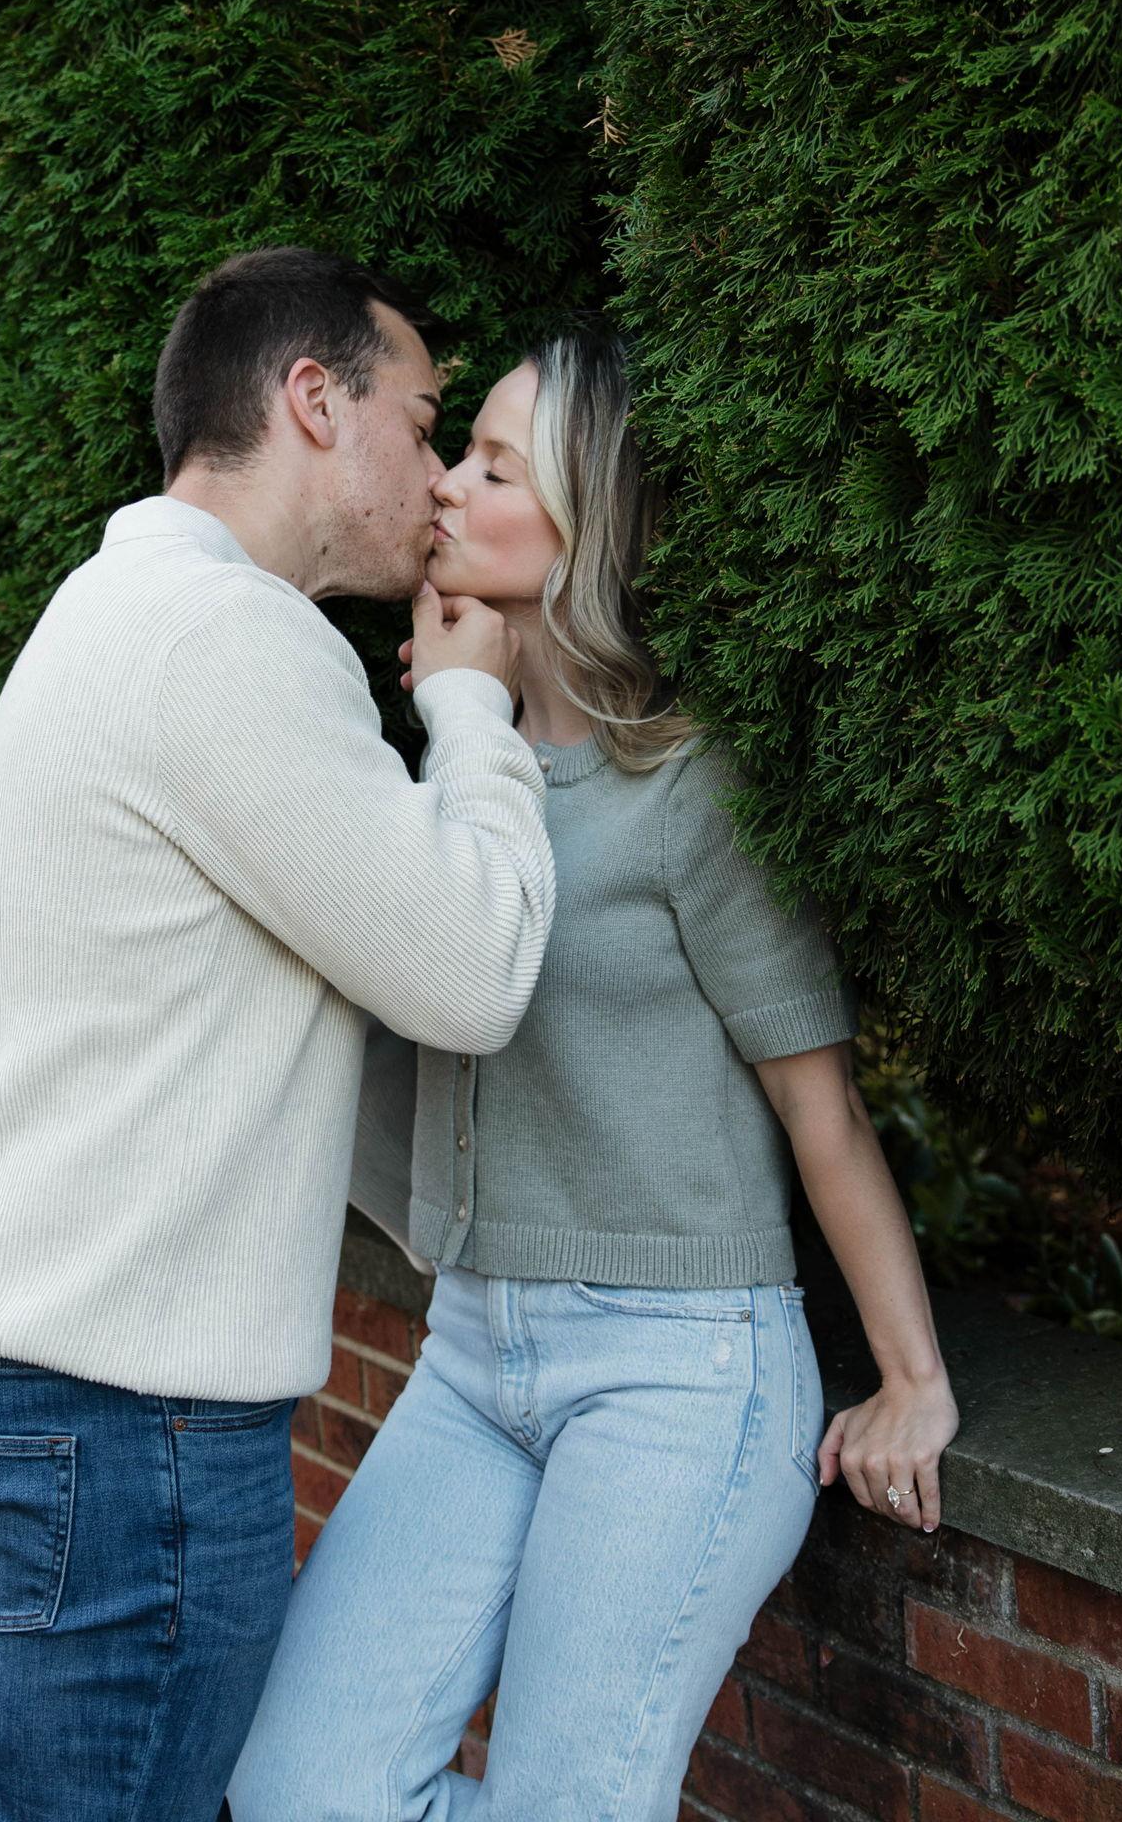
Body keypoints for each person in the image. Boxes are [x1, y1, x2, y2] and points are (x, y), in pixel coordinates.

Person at [229, 328, 960, 1822]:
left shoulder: (689, 789)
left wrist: (913, 1381)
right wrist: (460, 711)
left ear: (587, 530)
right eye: (461, 450)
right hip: (472, 1354)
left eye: (497, 469)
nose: (446, 485)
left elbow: (820, 1109)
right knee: (300, 1790)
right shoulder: (454, 777)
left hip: (679, 1372)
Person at [0, 248, 558, 1821]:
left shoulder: (128, 606)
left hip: (68, 1389)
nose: (439, 479)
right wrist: (471, 709)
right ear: (314, 400)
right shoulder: (226, 640)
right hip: (128, 1416)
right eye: (424, 424)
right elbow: (471, 972)